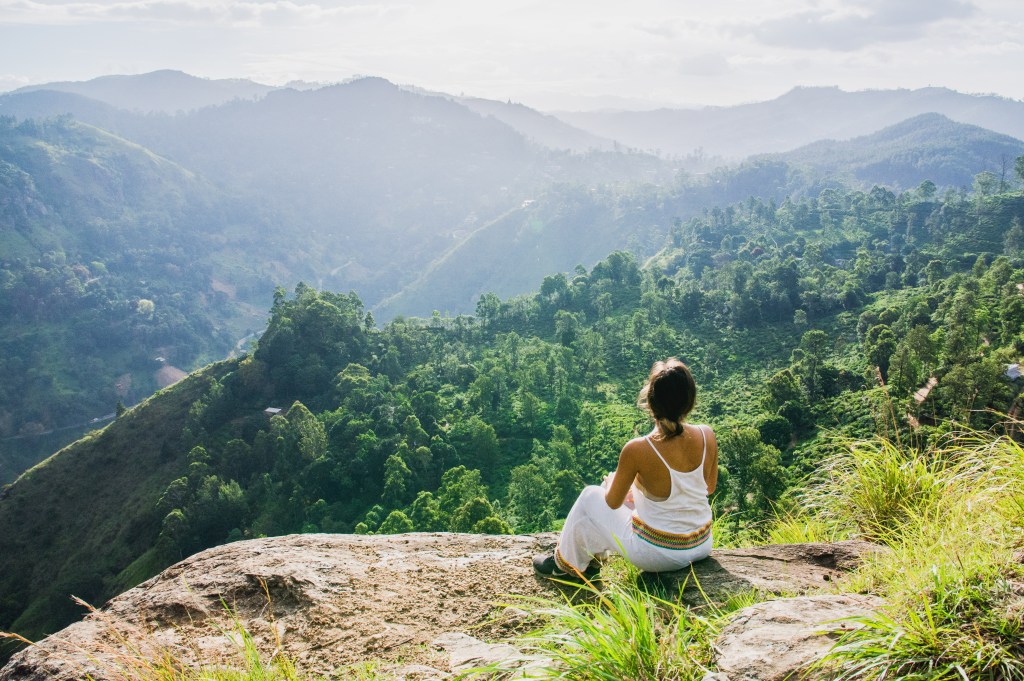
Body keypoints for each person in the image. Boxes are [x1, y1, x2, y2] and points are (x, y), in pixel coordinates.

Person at [533, 358, 717, 579]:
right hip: (701, 543)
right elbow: (709, 488)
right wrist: (640, 495)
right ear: (690, 400)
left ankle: (566, 567)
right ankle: (588, 561)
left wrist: (612, 485)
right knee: (609, 500)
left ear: (651, 402)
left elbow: (611, 503)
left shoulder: (638, 449)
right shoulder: (707, 435)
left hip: (659, 554)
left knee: (591, 495)